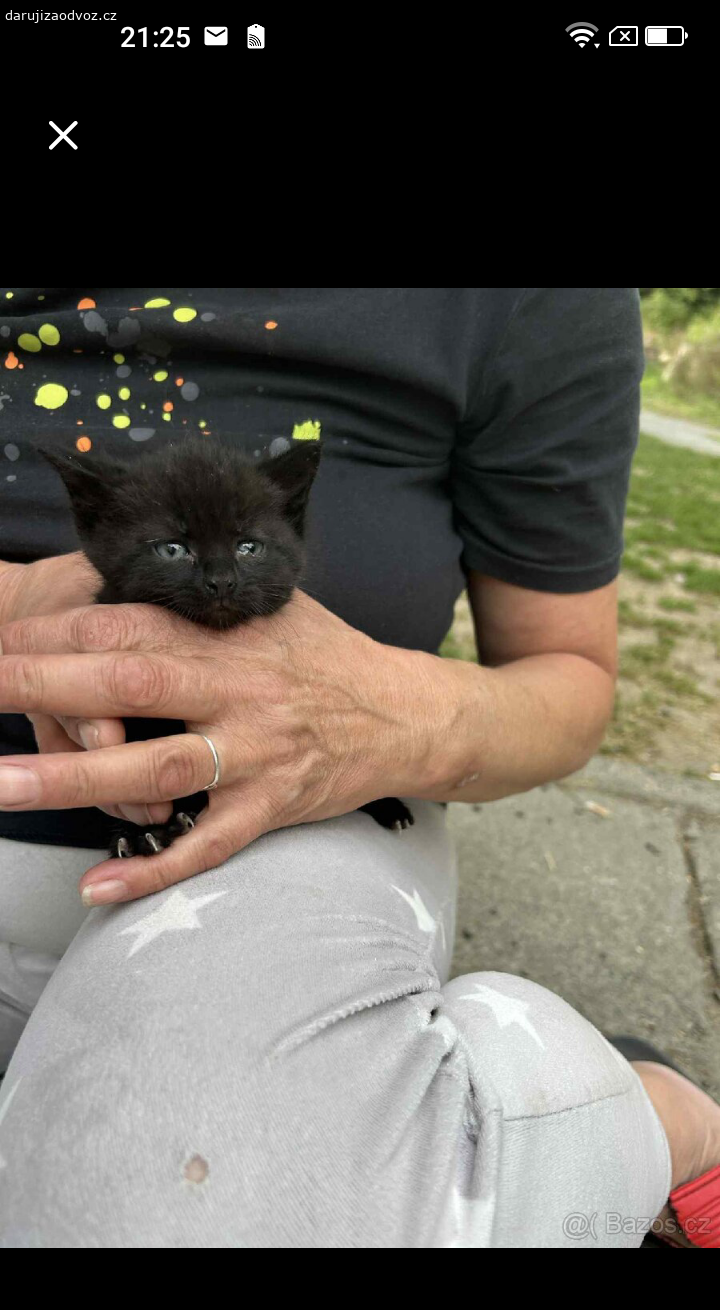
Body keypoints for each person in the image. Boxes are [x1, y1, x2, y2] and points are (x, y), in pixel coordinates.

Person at [0, 286, 718, 1248]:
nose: (215, 579)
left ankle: (661, 1117)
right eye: (177, 551)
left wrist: (387, 713)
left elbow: (573, 683)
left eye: (246, 547)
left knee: (168, 1197)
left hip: (294, 830)